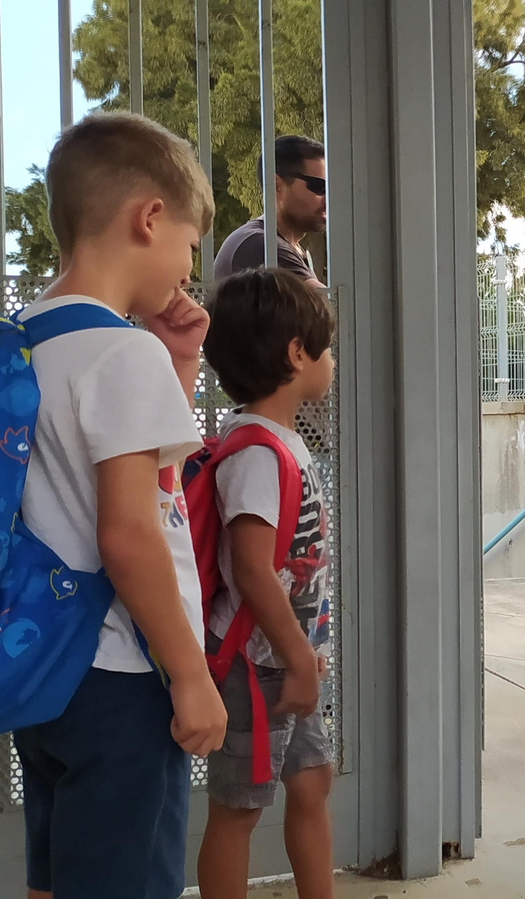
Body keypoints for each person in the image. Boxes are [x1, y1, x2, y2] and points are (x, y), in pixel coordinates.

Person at [9, 112, 227, 899]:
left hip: (46, 669)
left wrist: (179, 360)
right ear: (149, 218)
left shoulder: (23, 339)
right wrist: (191, 674)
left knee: (57, 873)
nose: (185, 269)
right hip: (125, 673)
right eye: (190, 247)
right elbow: (132, 532)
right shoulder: (119, 350)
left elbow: (114, 480)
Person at [195, 269, 339, 899]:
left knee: (312, 783)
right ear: (296, 353)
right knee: (238, 810)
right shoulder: (255, 452)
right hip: (258, 667)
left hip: (290, 658)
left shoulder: (282, 443)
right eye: (325, 346)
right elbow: (253, 570)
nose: (331, 360)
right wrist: (298, 658)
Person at [214, 134, 327, 285]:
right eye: (319, 186)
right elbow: (334, 306)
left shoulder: (290, 247)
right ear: (276, 185)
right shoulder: (261, 245)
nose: (329, 198)